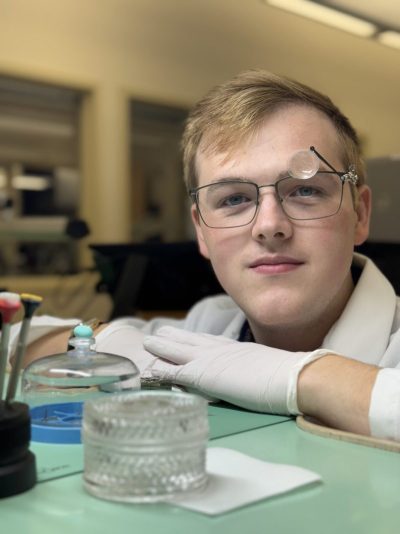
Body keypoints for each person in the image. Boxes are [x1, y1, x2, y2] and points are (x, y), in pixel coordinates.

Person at [10, 70, 400, 442]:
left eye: (305, 191)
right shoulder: (210, 322)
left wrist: (300, 377)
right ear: (201, 231)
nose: (269, 225)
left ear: (360, 214)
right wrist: (115, 349)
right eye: (233, 199)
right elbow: (18, 337)